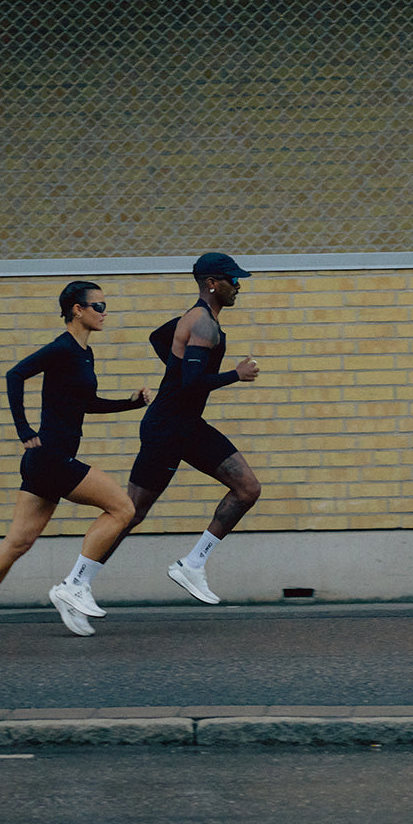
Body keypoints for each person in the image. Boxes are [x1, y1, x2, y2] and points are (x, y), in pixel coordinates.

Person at [0, 281, 151, 655]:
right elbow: (15, 374)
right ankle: (74, 585)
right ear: (77, 309)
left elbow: (86, 404)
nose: (104, 311)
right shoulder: (61, 348)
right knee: (123, 508)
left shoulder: (83, 354)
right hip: (53, 457)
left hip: (45, 462)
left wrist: (130, 404)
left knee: (18, 542)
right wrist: (24, 430)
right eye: (98, 305)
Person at [99, 252, 262, 604]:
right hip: (167, 428)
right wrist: (237, 374)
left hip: (187, 426)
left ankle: (192, 564)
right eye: (233, 280)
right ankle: (77, 582)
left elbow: (159, 338)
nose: (238, 286)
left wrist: (175, 367)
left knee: (247, 488)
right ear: (211, 284)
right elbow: (190, 384)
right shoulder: (201, 323)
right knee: (131, 512)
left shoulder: (197, 321)